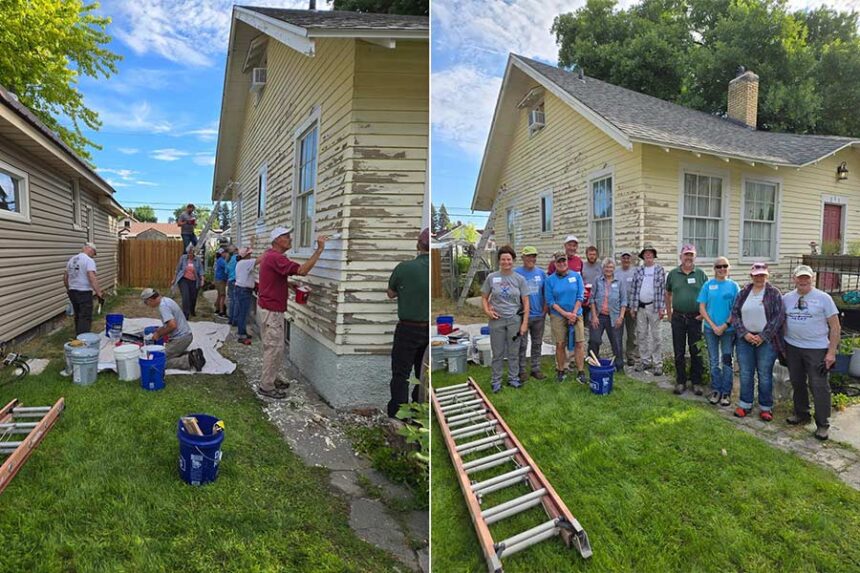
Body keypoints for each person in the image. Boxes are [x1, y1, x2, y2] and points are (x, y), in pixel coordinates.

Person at [258, 227, 328, 399]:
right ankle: (266, 386)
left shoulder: (270, 256)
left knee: (276, 348)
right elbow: (302, 271)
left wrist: (288, 285)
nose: (290, 239)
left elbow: (274, 278)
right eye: (286, 236)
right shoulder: (276, 257)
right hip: (271, 311)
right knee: (273, 348)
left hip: (269, 308)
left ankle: (271, 378)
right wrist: (319, 250)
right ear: (277, 241)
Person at [783, 264, 840, 440]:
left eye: (806, 278)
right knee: (797, 381)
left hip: (817, 349)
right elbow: (782, 321)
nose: (803, 281)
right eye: (800, 277)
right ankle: (801, 413)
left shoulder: (824, 298)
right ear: (794, 279)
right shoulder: (786, 298)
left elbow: (835, 326)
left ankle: (822, 424)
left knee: (819, 385)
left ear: (812, 279)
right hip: (792, 347)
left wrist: (831, 352)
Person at [730, 262, 785, 421]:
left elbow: (778, 317)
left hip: (766, 341)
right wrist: (744, 333)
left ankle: (765, 407)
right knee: (746, 373)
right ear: (751, 276)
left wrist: (763, 336)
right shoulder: (743, 292)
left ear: (767, 275)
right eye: (756, 275)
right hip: (745, 339)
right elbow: (735, 314)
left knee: (764, 374)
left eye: (762, 275)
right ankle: (745, 404)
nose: (759, 278)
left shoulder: (774, 293)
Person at [386, 228, 430, 417]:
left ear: (418, 245)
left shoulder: (404, 268)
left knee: (401, 374)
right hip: (429, 329)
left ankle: (398, 415)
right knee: (423, 374)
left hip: (407, 329)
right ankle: (419, 412)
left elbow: (390, 293)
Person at [481, 245, 530, 393]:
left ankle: (513, 378)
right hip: (497, 320)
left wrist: (524, 323)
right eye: (503, 259)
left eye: (509, 259)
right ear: (499, 261)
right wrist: (487, 311)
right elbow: (484, 297)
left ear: (513, 261)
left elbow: (526, 302)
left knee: (513, 352)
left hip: (514, 319)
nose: (506, 262)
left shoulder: (519, 279)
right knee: (497, 352)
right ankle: (496, 381)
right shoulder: (492, 277)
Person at [666, 244, 708, 395]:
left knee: (696, 350)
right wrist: (669, 314)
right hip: (678, 317)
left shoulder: (701, 274)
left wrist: (703, 314)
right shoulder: (673, 274)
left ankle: (696, 382)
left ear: (695, 257)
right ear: (681, 257)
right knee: (678, 350)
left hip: (695, 317)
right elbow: (668, 294)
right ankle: (681, 381)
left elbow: (707, 296)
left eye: (691, 255)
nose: (688, 258)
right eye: (686, 255)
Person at [697, 256, 740, 407]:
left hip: (728, 330)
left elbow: (736, 309)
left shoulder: (734, 286)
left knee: (727, 361)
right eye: (718, 267)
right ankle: (716, 390)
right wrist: (713, 326)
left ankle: (726, 392)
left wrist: (724, 326)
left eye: (725, 266)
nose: (722, 269)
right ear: (714, 269)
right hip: (710, 330)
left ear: (729, 268)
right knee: (714, 360)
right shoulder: (708, 285)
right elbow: (702, 307)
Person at [545, 251, 586, 384]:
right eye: (559, 262)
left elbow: (580, 296)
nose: (562, 264)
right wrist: (565, 314)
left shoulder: (576, 276)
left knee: (579, 343)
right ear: (555, 263)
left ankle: (581, 372)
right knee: (560, 343)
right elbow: (551, 302)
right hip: (558, 315)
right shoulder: (550, 280)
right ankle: (561, 370)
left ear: (567, 262)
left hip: (576, 313)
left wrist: (573, 313)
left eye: (564, 261)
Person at [140, 288, 205, 371]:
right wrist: (160, 330)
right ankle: (193, 354)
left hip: (181, 339)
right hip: (185, 336)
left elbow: (172, 326)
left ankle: (189, 360)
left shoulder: (163, 307)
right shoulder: (166, 300)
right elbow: (171, 324)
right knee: (166, 354)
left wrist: (158, 334)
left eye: (146, 303)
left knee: (158, 360)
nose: (147, 305)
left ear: (150, 300)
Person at [629, 245, 666, 375]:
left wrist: (662, 308)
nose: (648, 255)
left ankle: (657, 363)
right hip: (640, 307)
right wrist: (633, 308)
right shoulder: (639, 270)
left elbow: (663, 290)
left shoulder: (659, 270)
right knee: (642, 335)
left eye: (651, 253)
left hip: (655, 307)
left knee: (656, 336)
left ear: (654, 256)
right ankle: (645, 361)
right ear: (643, 256)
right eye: (646, 253)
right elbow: (634, 290)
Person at [589, 258, 627, 373]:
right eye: (606, 267)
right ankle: (593, 362)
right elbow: (591, 299)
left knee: (616, 343)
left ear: (614, 269)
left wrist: (621, 317)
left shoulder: (619, 282)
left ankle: (619, 367)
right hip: (599, 316)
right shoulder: (597, 280)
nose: (608, 269)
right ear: (603, 268)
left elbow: (624, 301)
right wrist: (594, 316)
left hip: (614, 316)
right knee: (594, 340)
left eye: (611, 267)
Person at [515, 246, 547, 381]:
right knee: (522, 344)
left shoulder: (541, 274)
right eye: (528, 256)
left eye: (534, 256)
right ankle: (521, 370)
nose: (531, 259)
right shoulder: (516, 273)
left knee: (537, 343)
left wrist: (544, 310)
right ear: (522, 258)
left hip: (539, 315)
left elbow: (547, 293)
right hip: (522, 316)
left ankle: (535, 369)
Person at [64, 242, 103, 335]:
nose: (93, 256)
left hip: (73, 291)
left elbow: (65, 277)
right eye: (94, 253)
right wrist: (99, 292)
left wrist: (68, 289)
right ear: (90, 249)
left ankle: (78, 336)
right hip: (84, 292)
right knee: (85, 316)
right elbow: (91, 277)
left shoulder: (72, 260)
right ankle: (83, 341)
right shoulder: (88, 260)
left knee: (78, 315)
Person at [614, 250, 639, 366]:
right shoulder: (616, 272)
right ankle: (617, 355)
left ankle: (630, 356)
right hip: (618, 308)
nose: (626, 260)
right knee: (617, 332)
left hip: (631, 307)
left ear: (631, 259)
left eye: (628, 258)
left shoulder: (635, 272)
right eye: (623, 258)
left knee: (631, 333)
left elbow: (637, 290)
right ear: (621, 259)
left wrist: (634, 306)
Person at [234, 247, 260, 345]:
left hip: (242, 290)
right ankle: (241, 336)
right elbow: (260, 260)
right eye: (249, 254)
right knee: (243, 314)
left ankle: (243, 332)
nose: (250, 255)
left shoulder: (241, 263)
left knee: (243, 313)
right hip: (243, 291)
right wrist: (270, 251)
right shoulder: (245, 263)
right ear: (246, 255)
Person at [581, 246, 603, 357]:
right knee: (581, 329)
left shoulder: (600, 267)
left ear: (597, 255)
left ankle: (593, 353)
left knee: (594, 328)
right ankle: (579, 353)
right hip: (583, 301)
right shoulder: (582, 266)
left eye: (594, 254)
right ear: (586, 254)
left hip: (595, 302)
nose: (592, 256)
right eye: (590, 254)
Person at [172, 247, 204, 319]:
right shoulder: (183, 258)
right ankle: (185, 314)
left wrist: (202, 280)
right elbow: (177, 269)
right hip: (183, 279)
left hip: (194, 281)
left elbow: (201, 270)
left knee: (193, 297)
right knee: (185, 297)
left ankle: (192, 310)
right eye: (188, 252)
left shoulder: (197, 260)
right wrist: (174, 279)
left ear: (194, 253)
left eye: (191, 252)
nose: (190, 254)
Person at [214, 248, 229, 317]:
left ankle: (217, 309)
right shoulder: (222, 261)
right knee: (222, 295)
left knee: (219, 295)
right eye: (225, 253)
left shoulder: (218, 260)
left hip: (217, 279)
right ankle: (221, 311)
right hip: (221, 280)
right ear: (222, 253)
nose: (226, 254)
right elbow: (227, 268)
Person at [226, 246, 239, 325]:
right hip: (236, 281)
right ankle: (235, 320)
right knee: (236, 301)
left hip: (230, 281)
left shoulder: (229, 260)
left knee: (231, 300)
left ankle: (230, 319)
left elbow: (226, 270)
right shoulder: (237, 258)